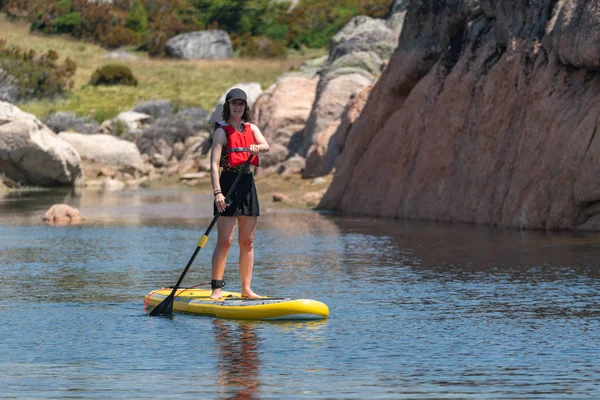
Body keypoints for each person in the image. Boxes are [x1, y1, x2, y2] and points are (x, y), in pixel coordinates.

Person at [209, 88, 269, 300]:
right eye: (234, 104)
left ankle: (246, 289)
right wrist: (218, 193)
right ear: (228, 106)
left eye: (241, 104)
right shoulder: (221, 132)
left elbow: (266, 145)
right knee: (225, 241)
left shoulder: (251, 128)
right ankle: (216, 288)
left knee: (247, 242)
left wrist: (257, 148)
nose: (237, 107)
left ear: (245, 107)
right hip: (227, 184)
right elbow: (214, 165)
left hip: (246, 184)